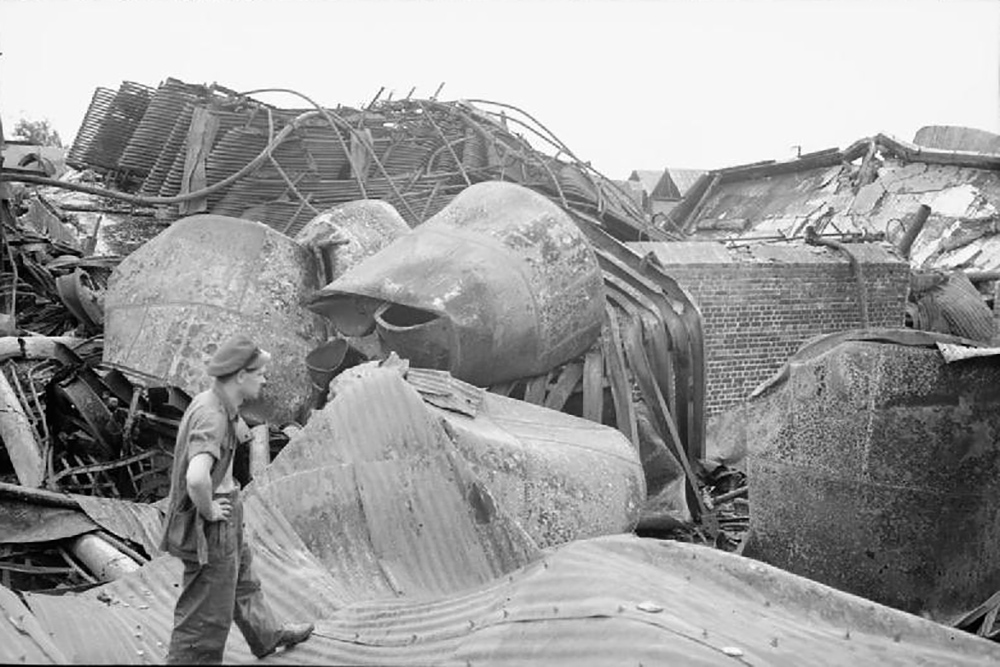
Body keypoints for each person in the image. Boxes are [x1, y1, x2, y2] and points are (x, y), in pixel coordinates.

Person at [161, 334, 314, 664]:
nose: (264, 378)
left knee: (243, 581)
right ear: (240, 376)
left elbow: (231, 439)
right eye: (259, 373)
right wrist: (210, 510)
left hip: (227, 512)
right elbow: (197, 477)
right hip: (212, 524)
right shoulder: (212, 417)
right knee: (206, 616)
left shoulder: (217, 401)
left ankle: (266, 634)